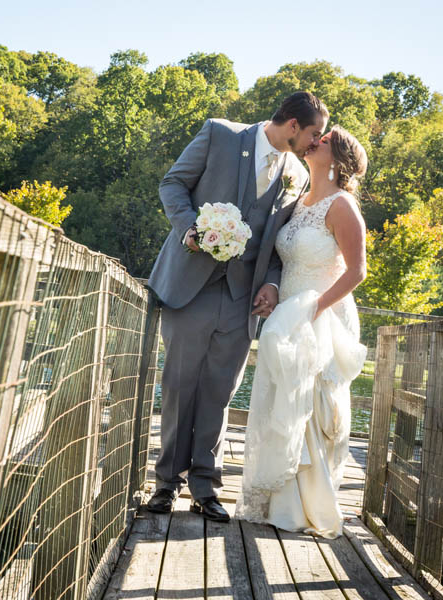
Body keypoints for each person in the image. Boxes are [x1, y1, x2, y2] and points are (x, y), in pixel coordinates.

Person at [146, 92, 329, 522]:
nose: (315, 142)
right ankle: (166, 484)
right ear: (292, 125)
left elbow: (280, 242)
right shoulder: (219, 134)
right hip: (190, 286)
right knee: (179, 386)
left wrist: (271, 283)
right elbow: (172, 184)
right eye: (314, 133)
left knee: (220, 392)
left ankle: (205, 488)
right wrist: (190, 228)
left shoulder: (296, 174)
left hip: (242, 298)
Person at [236, 125, 369, 538]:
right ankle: (279, 501)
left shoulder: (342, 205)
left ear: (339, 159)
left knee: (310, 405)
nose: (315, 140)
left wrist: (315, 309)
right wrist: (276, 293)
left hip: (322, 314)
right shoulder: (298, 202)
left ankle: (308, 505)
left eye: (325, 140)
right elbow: (285, 259)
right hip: (288, 313)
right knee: (283, 399)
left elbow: (357, 271)